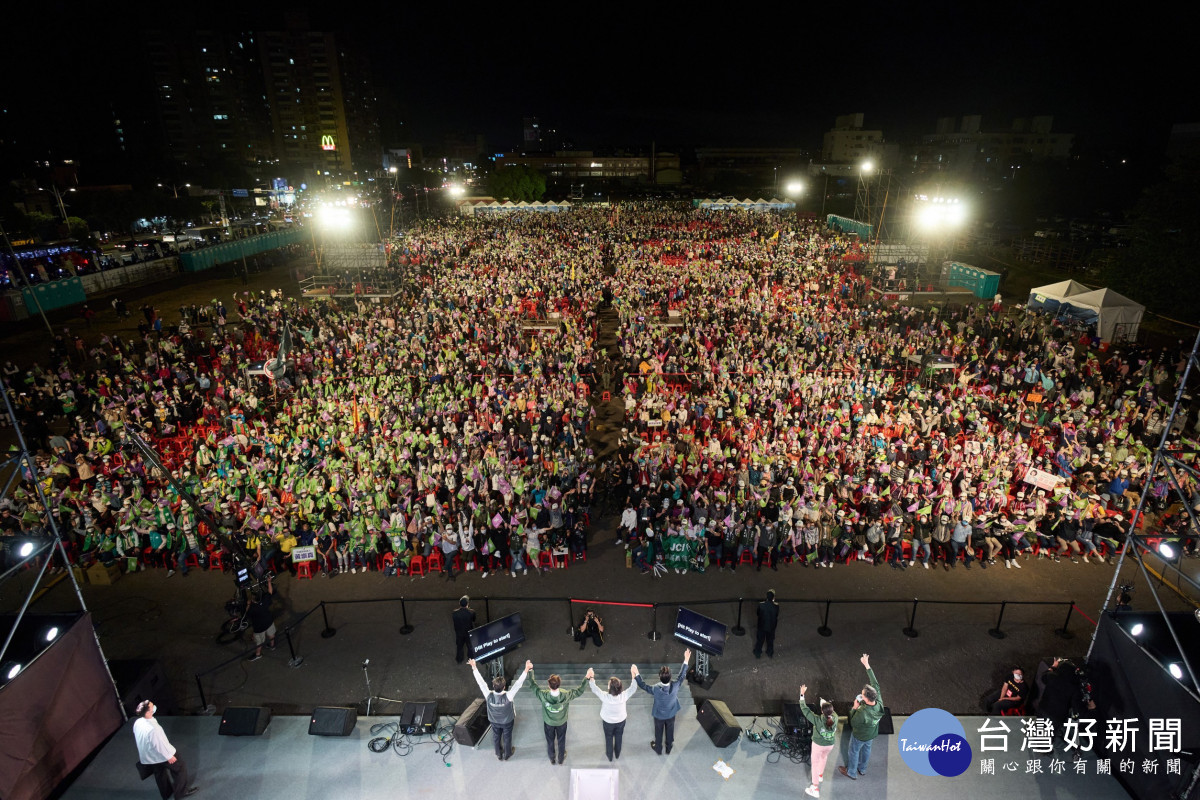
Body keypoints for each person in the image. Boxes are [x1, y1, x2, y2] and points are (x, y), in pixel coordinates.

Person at [468, 657, 532, 761]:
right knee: (507, 737)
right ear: (504, 687)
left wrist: (474, 667)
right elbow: (518, 684)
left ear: (493, 686)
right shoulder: (509, 696)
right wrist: (526, 669)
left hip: (494, 721)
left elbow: (480, 682)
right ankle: (508, 754)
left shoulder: (488, 695)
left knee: (496, 737)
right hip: (507, 722)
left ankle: (498, 753)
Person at [133, 699, 198, 799]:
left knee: (159, 774)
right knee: (180, 768)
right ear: (147, 712)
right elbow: (159, 744)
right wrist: (169, 756)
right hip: (161, 755)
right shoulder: (153, 729)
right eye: (152, 706)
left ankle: (166, 793)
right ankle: (181, 792)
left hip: (149, 757)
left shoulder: (138, 722)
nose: (154, 706)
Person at [634, 648, 691, 755]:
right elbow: (682, 675)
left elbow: (643, 685)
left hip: (659, 715)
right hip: (671, 714)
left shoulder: (655, 689)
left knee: (658, 732)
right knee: (670, 731)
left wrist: (637, 674)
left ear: (659, 677)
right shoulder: (675, 685)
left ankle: (658, 748)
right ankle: (669, 748)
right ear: (670, 677)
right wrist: (686, 659)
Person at [530, 663, 590, 764]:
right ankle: (561, 758)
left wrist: (530, 670)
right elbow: (579, 691)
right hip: (562, 722)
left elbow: (533, 685)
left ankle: (552, 757)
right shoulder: (566, 695)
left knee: (550, 740)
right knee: (561, 740)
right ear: (559, 684)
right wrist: (587, 677)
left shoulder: (543, 695)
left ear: (549, 686)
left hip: (548, 723)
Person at [839, 653, 883, 780]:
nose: (861, 695)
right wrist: (867, 665)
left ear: (867, 699)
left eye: (863, 695)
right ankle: (862, 769)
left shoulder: (862, 712)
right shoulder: (878, 701)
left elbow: (853, 723)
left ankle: (851, 772)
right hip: (872, 733)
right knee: (867, 750)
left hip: (860, 735)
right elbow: (875, 683)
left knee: (853, 751)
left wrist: (854, 708)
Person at [588, 666, 640, 762]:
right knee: (619, 736)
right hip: (621, 721)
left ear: (609, 688)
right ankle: (617, 753)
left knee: (608, 738)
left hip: (607, 722)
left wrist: (591, 677)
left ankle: (609, 756)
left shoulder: (605, 696)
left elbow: (594, 689)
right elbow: (633, 688)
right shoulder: (624, 695)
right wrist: (634, 674)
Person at [797, 683, 838, 798]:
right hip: (830, 745)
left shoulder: (817, 720)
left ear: (821, 711)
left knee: (814, 764)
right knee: (824, 758)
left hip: (818, 745)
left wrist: (802, 694)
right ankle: (820, 775)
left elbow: (805, 710)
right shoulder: (835, 717)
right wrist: (824, 703)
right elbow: (830, 711)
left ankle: (815, 788)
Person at [245, 575, 275, 662]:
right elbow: (270, 591)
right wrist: (269, 582)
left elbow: (247, 614)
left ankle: (258, 654)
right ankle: (272, 645)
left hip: (259, 627)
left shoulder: (252, 608)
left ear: (253, 600)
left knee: (259, 642)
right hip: (269, 621)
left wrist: (248, 604)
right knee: (271, 634)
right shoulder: (265, 600)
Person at [754, 589, 780, 659]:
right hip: (771, 627)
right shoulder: (776, 606)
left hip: (762, 626)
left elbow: (758, 613)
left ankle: (758, 653)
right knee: (770, 640)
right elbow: (776, 615)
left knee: (760, 640)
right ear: (773, 598)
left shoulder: (761, 605)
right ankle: (770, 652)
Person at [452, 595, 476, 664]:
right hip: (468, 632)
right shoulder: (472, 612)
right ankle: (470, 659)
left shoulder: (454, 613)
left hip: (459, 633)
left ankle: (459, 659)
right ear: (467, 604)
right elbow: (474, 620)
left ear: (459, 604)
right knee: (470, 646)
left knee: (459, 647)